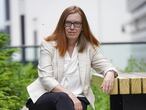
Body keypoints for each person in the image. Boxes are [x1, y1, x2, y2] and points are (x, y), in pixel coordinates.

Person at [26, 5, 118, 110]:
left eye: (77, 23)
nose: (72, 27)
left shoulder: (89, 48)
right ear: (62, 25)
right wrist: (70, 95)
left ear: (83, 27)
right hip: (47, 97)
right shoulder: (49, 45)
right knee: (63, 98)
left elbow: (106, 65)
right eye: (68, 23)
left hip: (78, 100)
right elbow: (45, 78)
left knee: (67, 102)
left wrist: (110, 72)